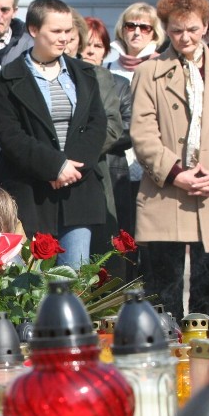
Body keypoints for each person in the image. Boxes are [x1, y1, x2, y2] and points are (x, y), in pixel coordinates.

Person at [130, 0, 209, 320]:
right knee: (163, 297)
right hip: (166, 193)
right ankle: (165, 366)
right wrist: (175, 173)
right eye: (176, 30)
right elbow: (142, 133)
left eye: (193, 29)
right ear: (165, 28)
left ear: (207, 27)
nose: (185, 38)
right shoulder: (147, 73)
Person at [0, 0, 108, 269]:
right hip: (32, 193)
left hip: (77, 189)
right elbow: (10, 136)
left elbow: (96, 124)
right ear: (34, 30)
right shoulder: (4, 81)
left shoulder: (85, 74)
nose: (64, 38)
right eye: (56, 31)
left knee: (74, 280)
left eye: (68, 31)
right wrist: (54, 166)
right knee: (30, 283)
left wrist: (70, 168)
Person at [82, 16, 139, 280]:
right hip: (79, 171)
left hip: (114, 171)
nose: (90, 50)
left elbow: (128, 127)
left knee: (115, 242)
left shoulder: (119, 83)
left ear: (106, 49)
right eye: (86, 44)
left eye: (97, 45)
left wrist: (90, 140)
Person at [105, 2, 165, 81]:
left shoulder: (163, 67)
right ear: (122, 30)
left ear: (154, 34)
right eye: (130, 26)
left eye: (144, 27)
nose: (137, 33)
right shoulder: (106, 68)